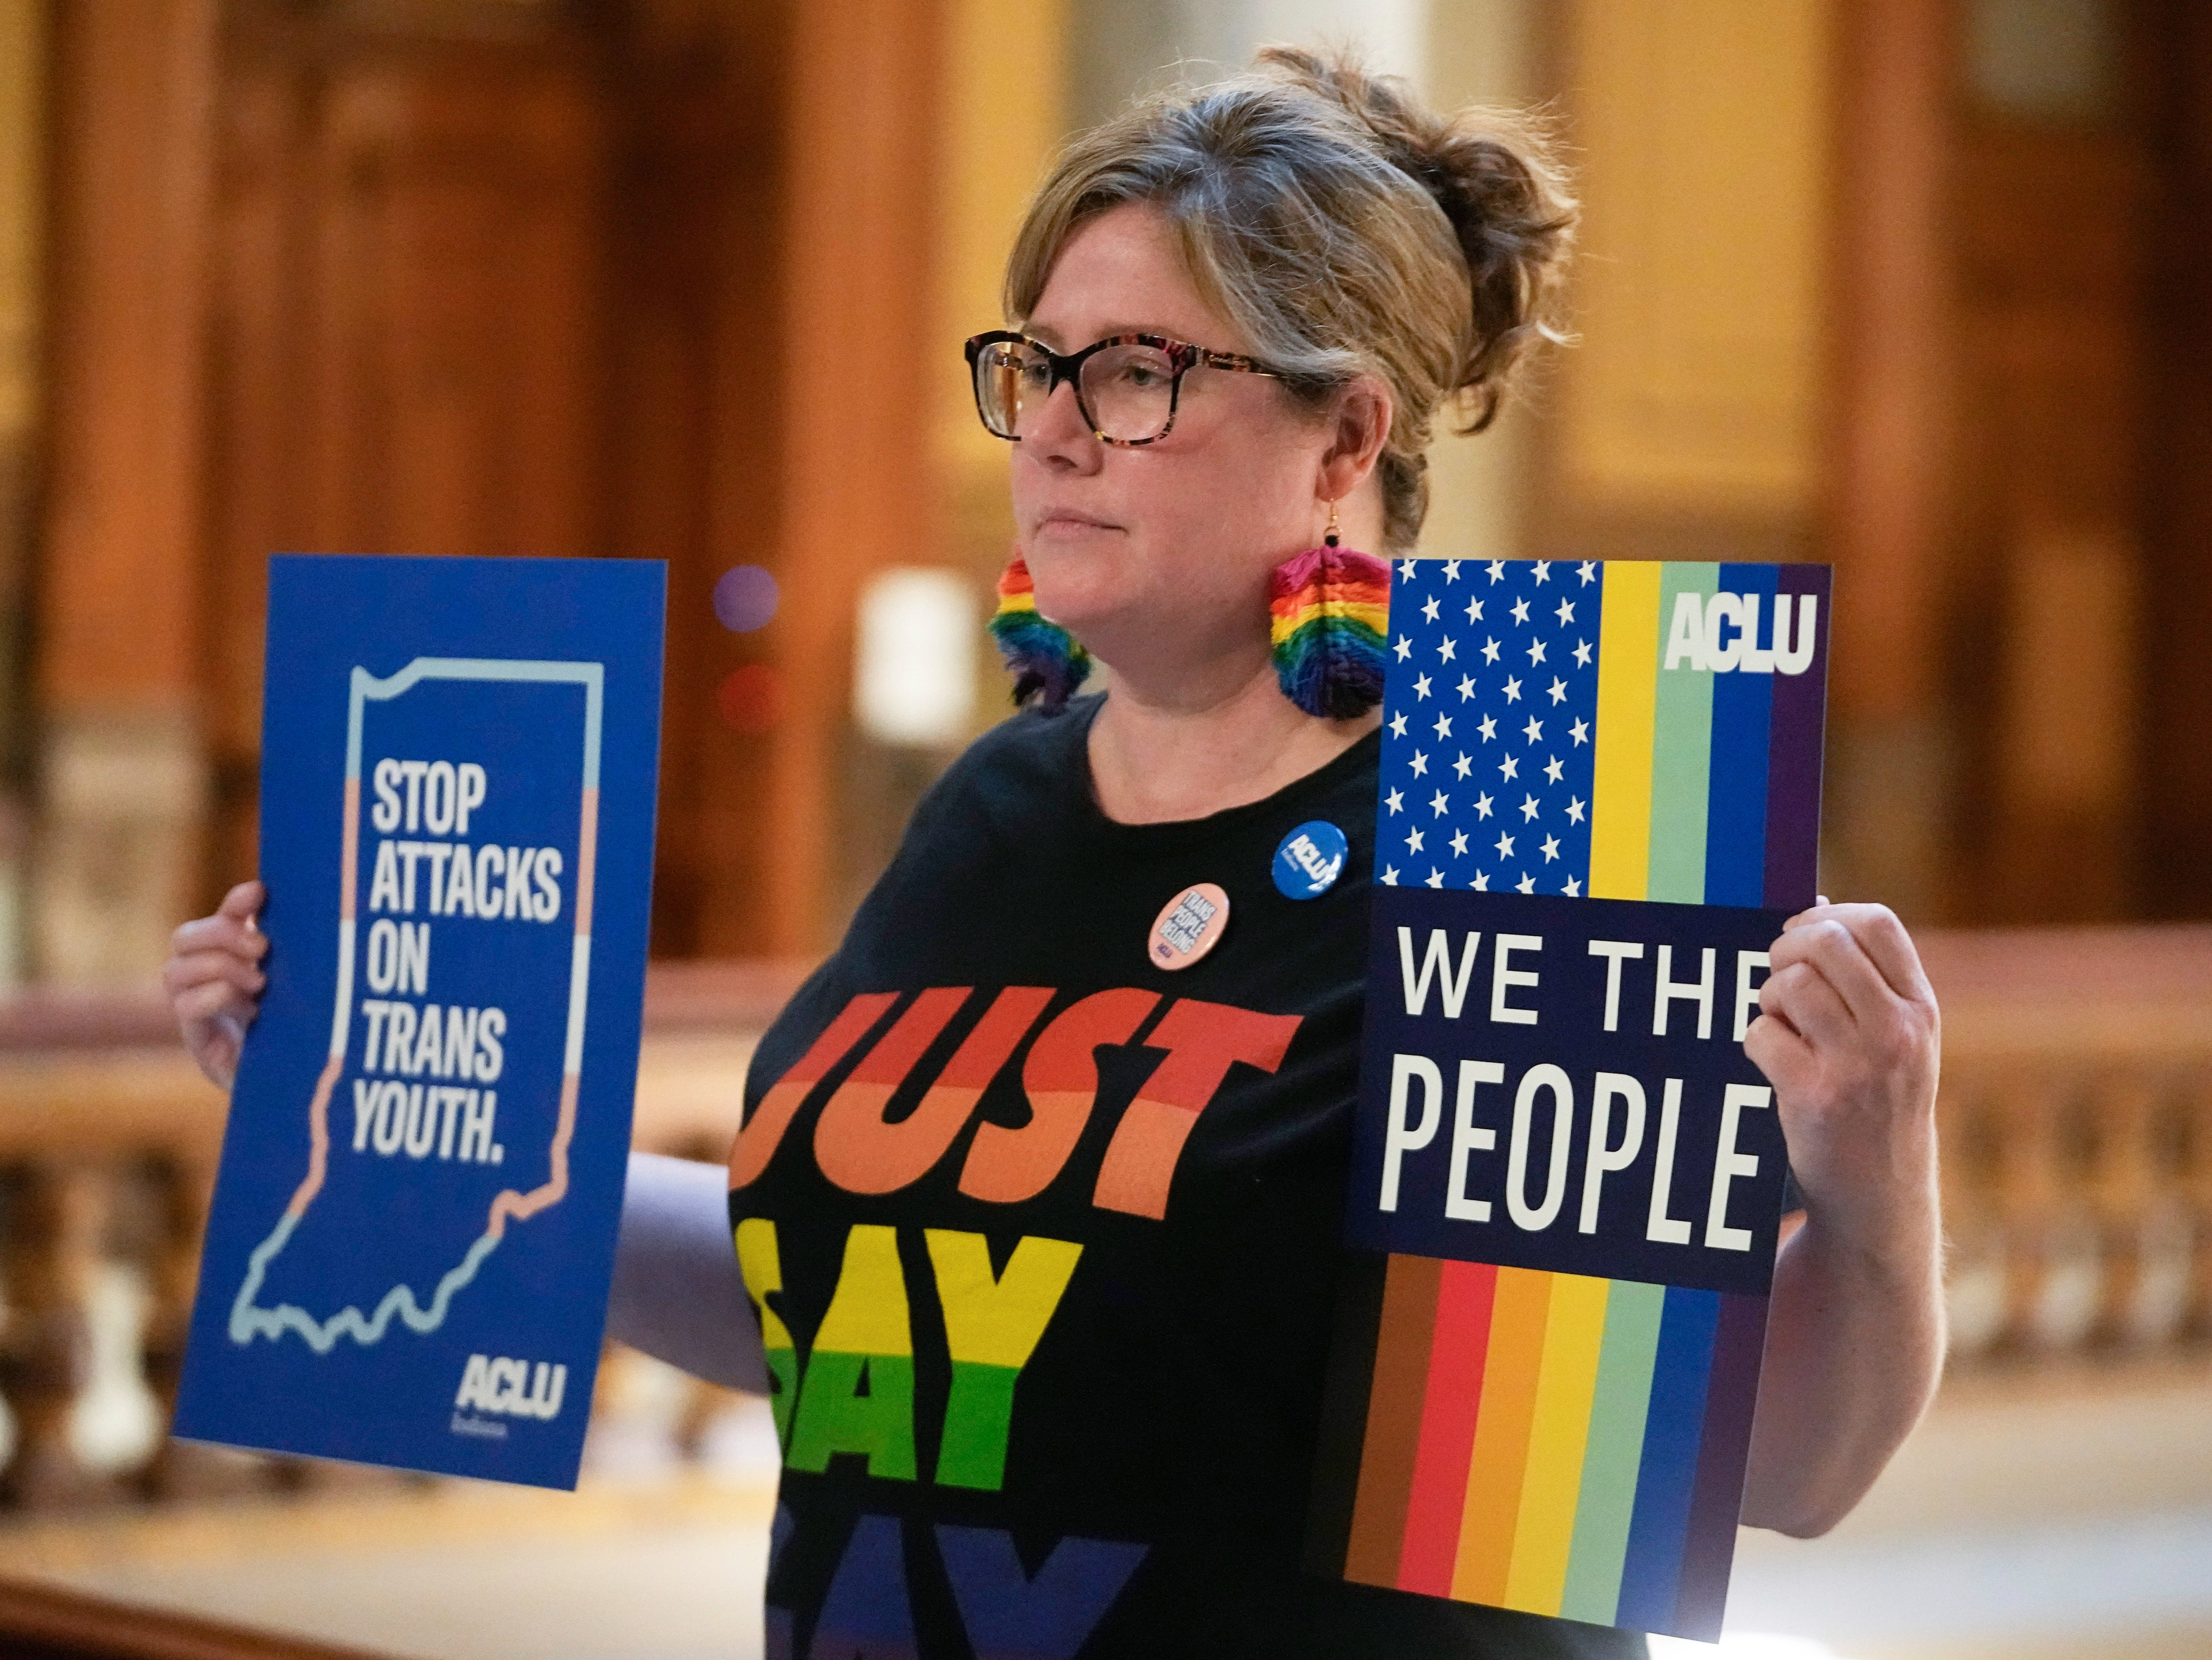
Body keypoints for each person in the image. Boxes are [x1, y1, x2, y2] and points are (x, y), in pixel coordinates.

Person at [165, 49, 1943, 1660]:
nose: (1057, 429)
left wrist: (1872, 1185)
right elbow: (836, 1294)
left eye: (1141, 372)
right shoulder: (996, 808)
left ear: (1345, 435)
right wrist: (378, 1098)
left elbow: (1782, 1463)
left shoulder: (1540, 822)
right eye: (1037, 366)